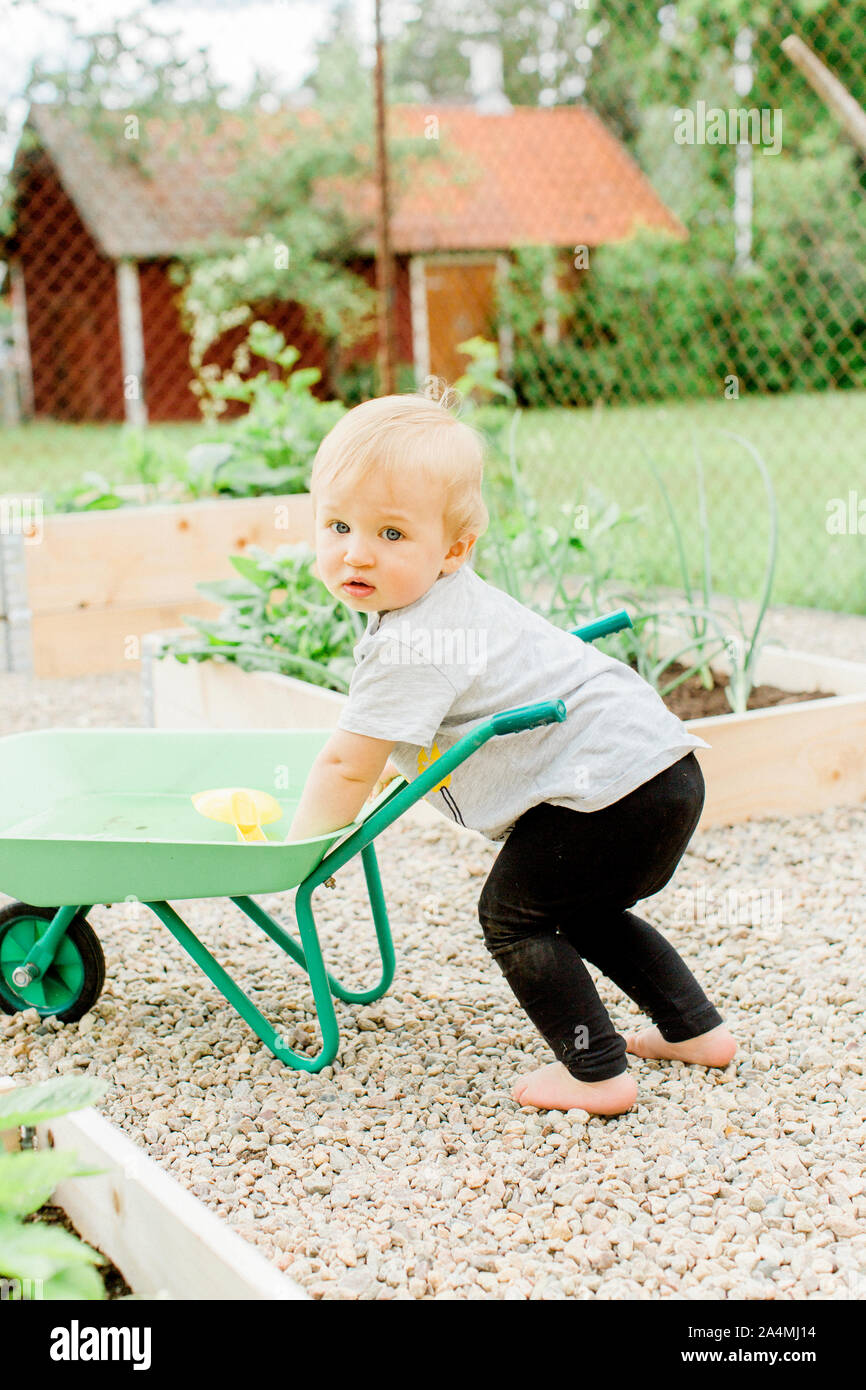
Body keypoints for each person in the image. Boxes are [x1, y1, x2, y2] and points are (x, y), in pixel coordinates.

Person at [286, 387, 736, 1114]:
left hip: (608, 794)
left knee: (514, 915)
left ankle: (597, 1074)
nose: (356, 552)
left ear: (455, 548)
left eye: (392, 535)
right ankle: (694, 1031)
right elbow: (382, 751)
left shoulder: (412, 642)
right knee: (583, 911)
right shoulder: (449, 601)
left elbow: (347, 764)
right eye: (337, 525)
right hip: (663, 775)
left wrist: (300, 848)